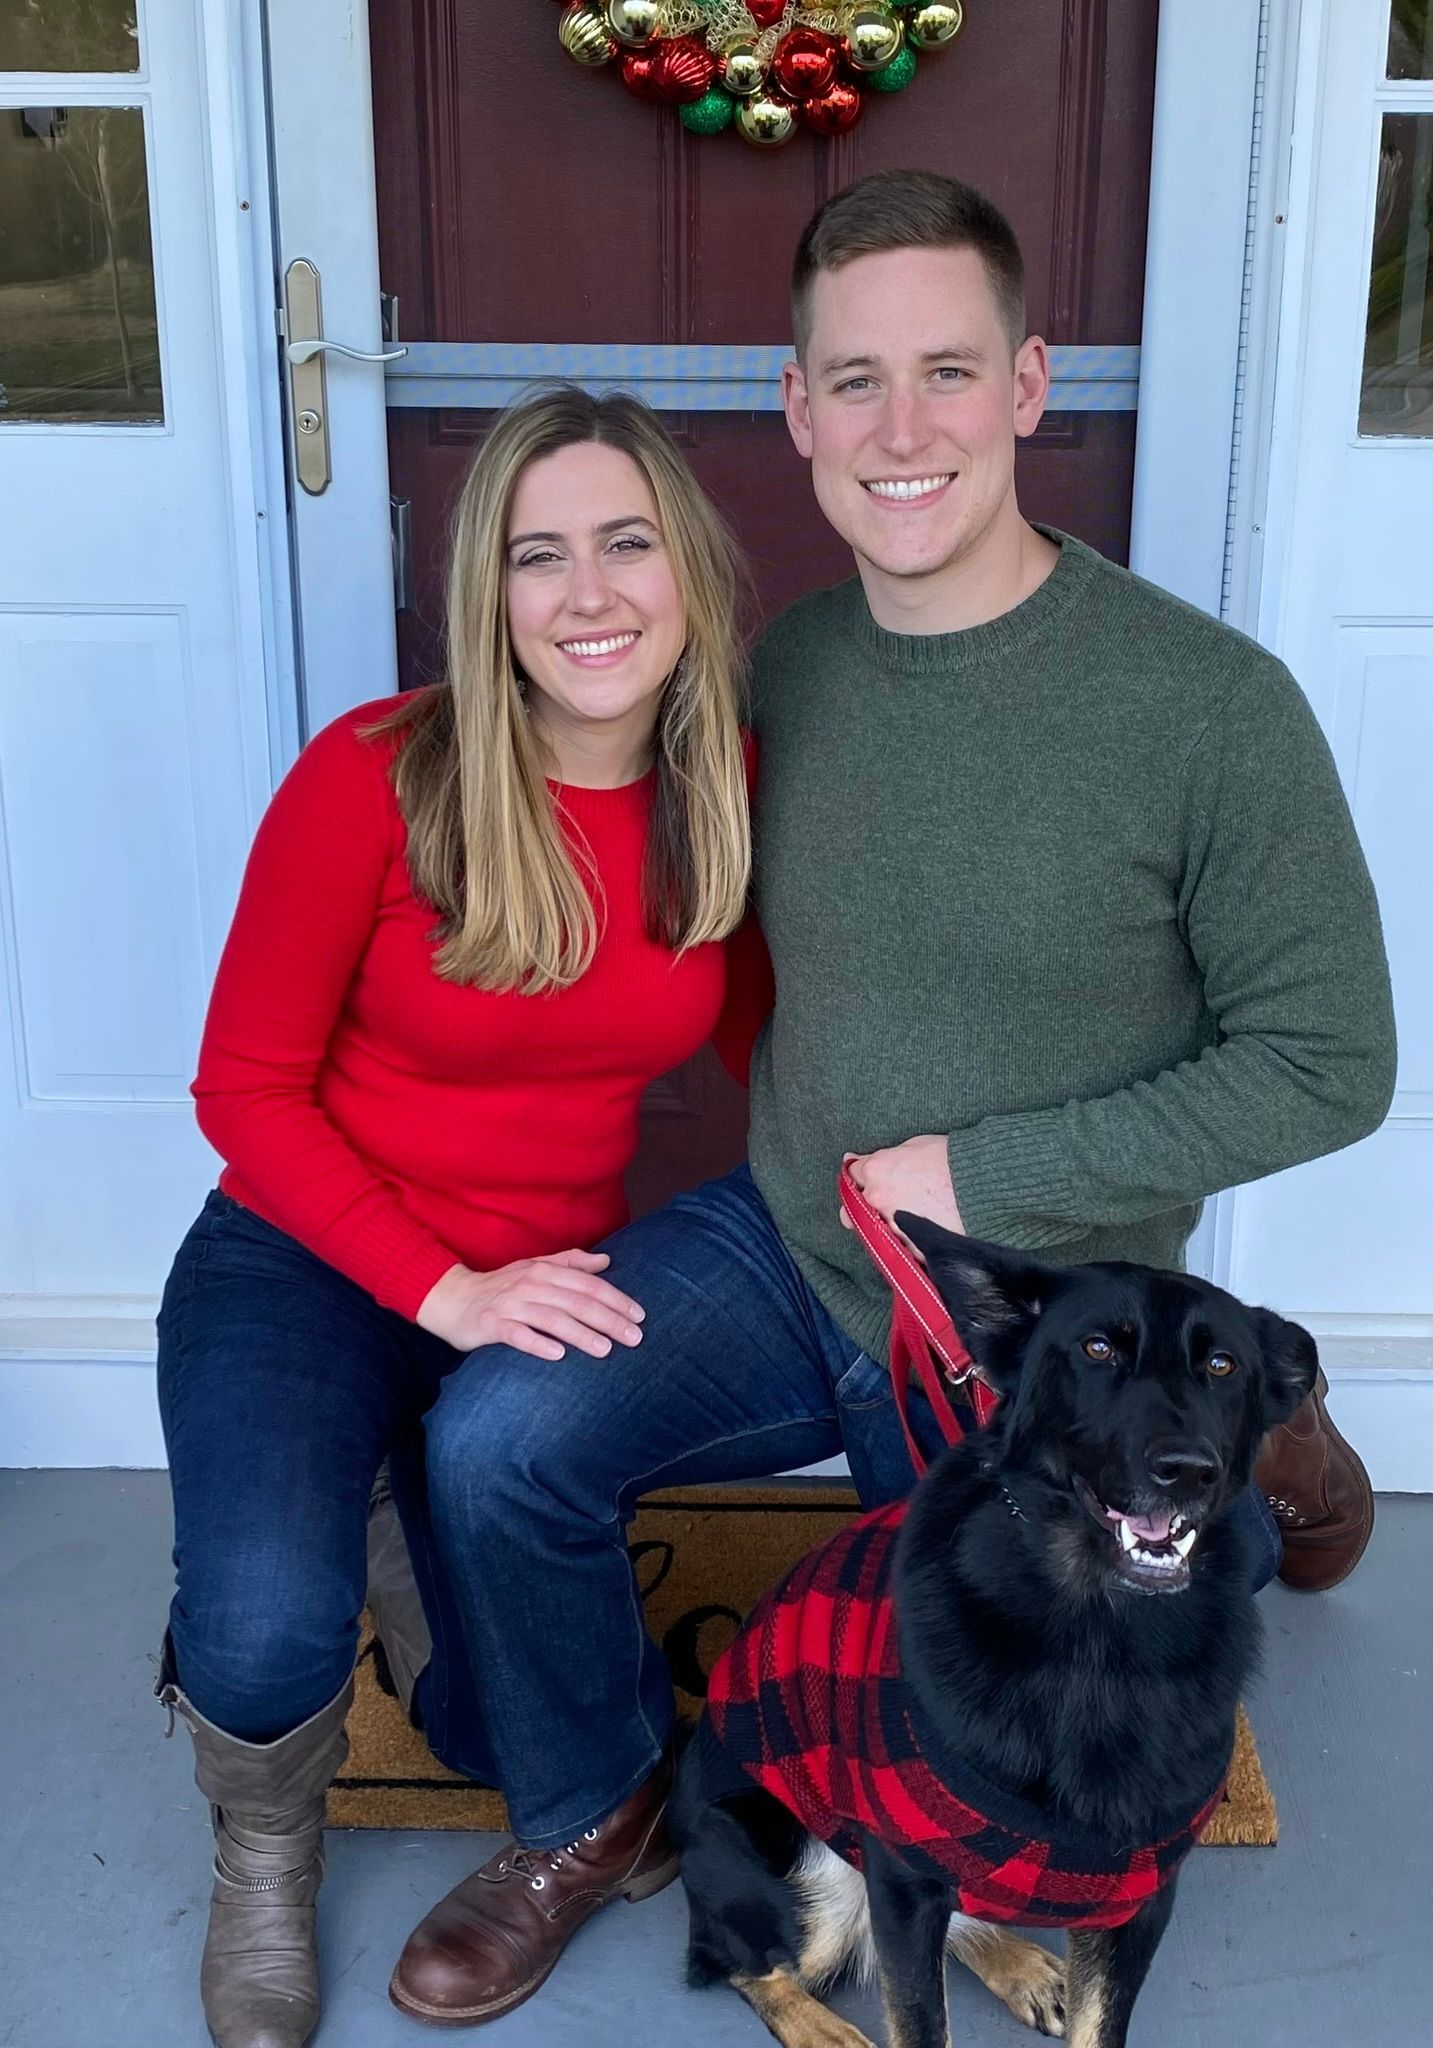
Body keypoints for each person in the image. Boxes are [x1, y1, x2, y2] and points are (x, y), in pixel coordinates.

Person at [388, 170, 1396, 2027]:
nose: (902, 428)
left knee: (1094, 1645)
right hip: (792, 1245)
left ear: (1030, 385)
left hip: (1038, 1324)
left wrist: (987, 1176)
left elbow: (1334, 1059)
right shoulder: (778, 673)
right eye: (856, 379)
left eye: (948, 371)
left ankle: (1277, 1451)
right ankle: (586, 1812)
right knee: (494, 1447)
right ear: (798, 408)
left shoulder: (1211, 709)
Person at [152, 385, 764, 2048]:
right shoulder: (373, 776)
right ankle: (265, 1850)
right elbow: (243, 1092)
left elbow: (788, 1046)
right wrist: (441, 1292)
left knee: (511, 1738)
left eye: (626, 543)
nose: (588, 595)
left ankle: (388, 1507)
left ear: (691, 572)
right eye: (536, 555)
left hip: (540, 1282)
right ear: (486, 594)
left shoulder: (724, 792)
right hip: (305, 1259)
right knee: (264, 1630)